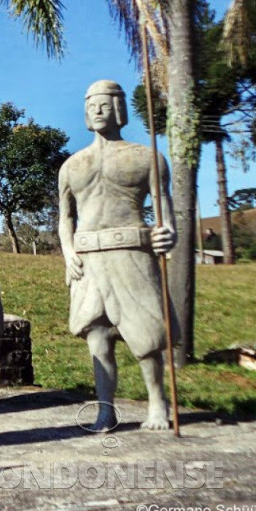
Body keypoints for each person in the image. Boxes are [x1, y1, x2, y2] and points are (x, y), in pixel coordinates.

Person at [58, 79, 179, 432]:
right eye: (92, 104)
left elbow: (164, 205)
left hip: (131, 254)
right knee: (97, 337)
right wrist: (68, 252)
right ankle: (105, 410)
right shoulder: (72, 165)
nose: (98, 110)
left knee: (145, 338)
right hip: (88, 259)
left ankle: (157, 403)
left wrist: (167, 231)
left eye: (105, 104)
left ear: (119, 109)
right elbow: (65, 218)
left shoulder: (146, 157)